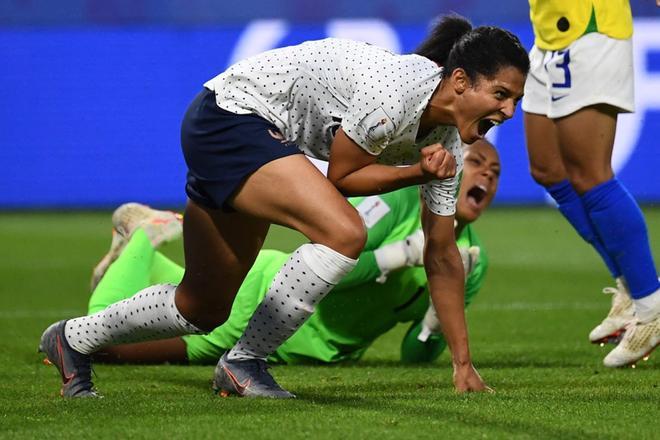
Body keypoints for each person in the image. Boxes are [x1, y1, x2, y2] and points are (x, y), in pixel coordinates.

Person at [39, 14, 528, 398]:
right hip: (233, 118)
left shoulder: (449, 142)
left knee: (202, 306)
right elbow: (342, 177)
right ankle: (245, 363)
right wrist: (418, 172)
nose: (508, 112)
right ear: (460, 81)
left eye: (515, 101)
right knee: (345, 232)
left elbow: (441, 253)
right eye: (501, 95)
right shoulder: (397, 92)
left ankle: (71, 339)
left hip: (248, 135)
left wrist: (463, 364)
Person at [83, 140, 500, 370]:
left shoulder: (469, 262)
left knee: (177, 290)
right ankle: (142, 238)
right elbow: (334, 263)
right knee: (107, 349)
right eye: (477, 163)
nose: (486, 175)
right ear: (447, 163)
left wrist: (433, 320)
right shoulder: (402, 204)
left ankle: (143, 257)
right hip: (268, 301)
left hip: (311, 352)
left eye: (495, 173)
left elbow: (415, 355)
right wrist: (402, 253)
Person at [522, 0, 659, 367]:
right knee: (548, 169)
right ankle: (630, 286)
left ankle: (652, 307)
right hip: (549, 32)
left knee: (590, 174)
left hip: (590, 28)